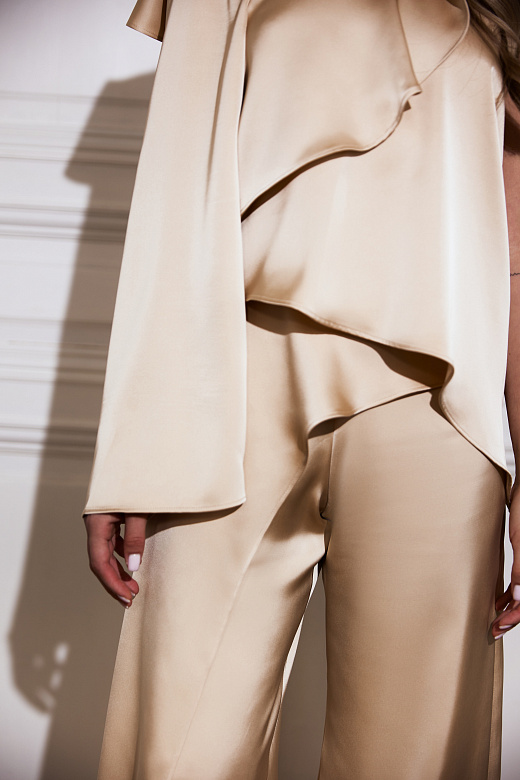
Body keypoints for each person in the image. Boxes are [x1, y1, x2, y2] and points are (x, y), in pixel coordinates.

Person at [82, 0, 520, 777]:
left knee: (415, 760)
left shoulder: (498, 16)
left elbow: (514, 259)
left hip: (441, 417)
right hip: (232, 396)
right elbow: (174, 195)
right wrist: (132, 451)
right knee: (179, 754)